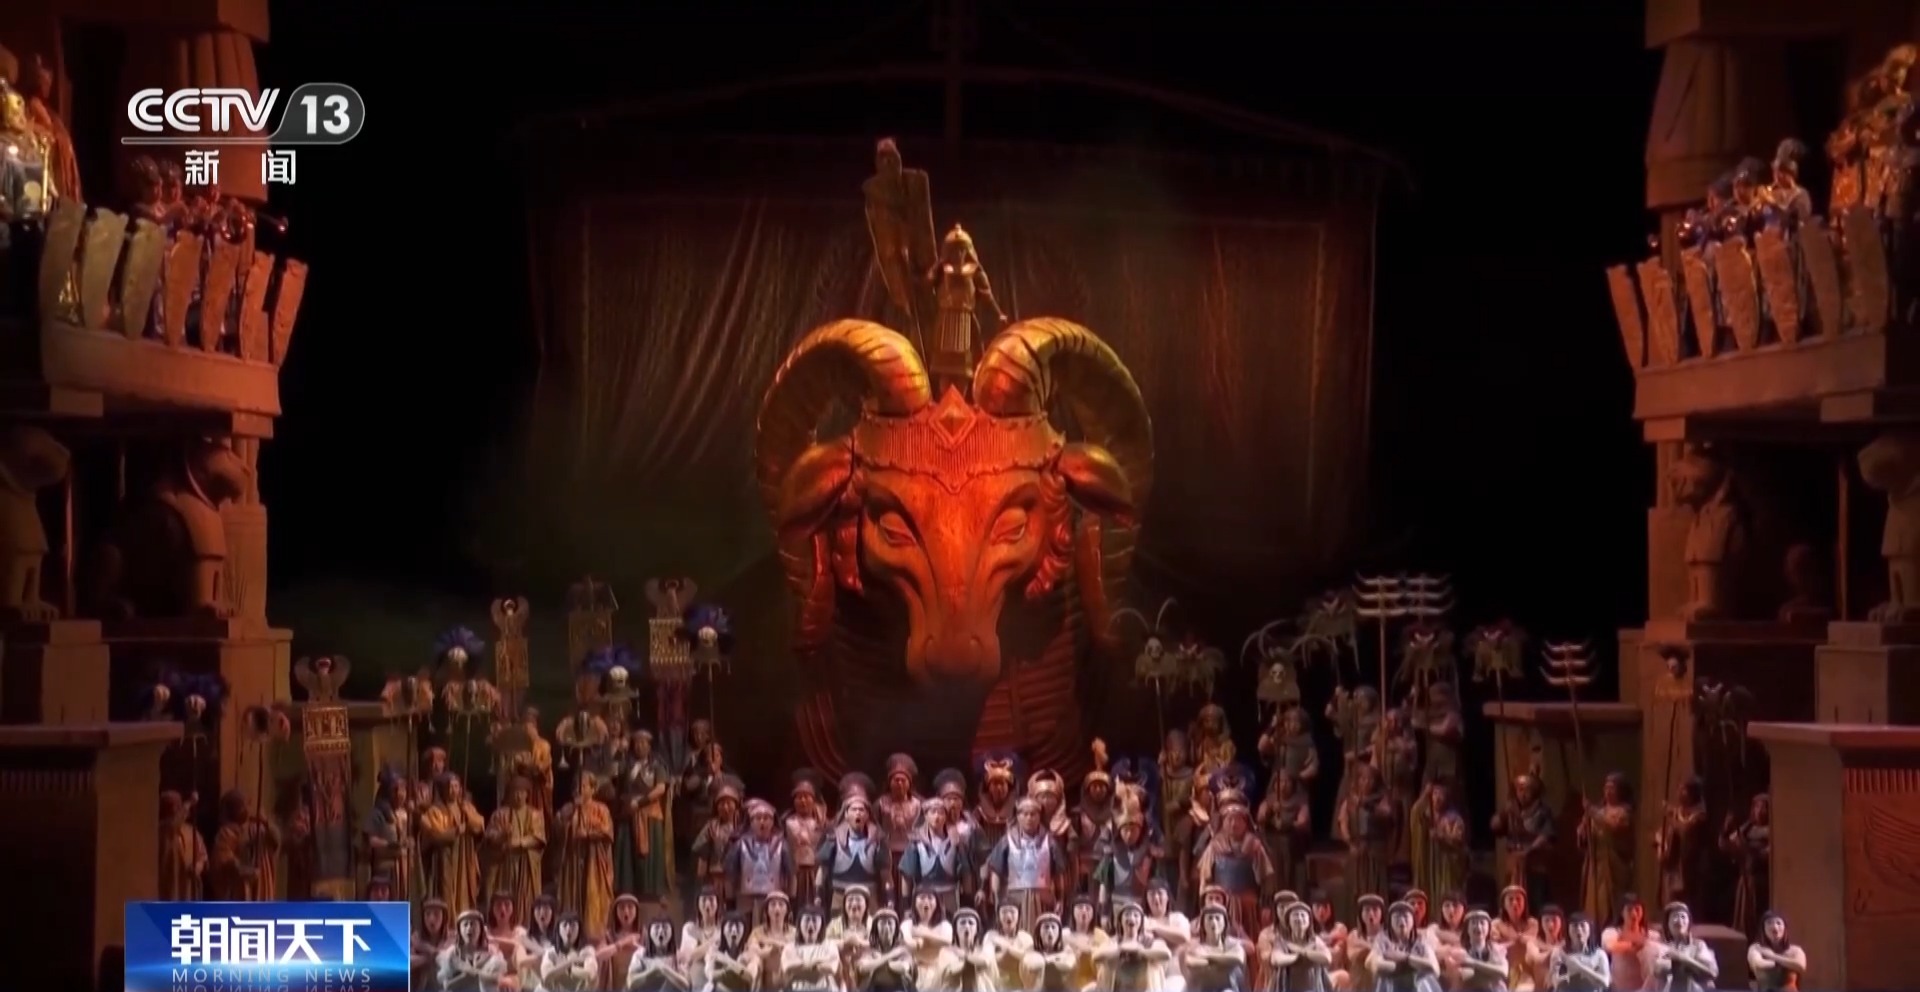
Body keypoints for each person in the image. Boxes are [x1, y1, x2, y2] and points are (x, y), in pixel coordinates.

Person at [1100, 900, 1176, 991]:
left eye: (1136, 915)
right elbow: (1097, 956)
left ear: (1141, 922)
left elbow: (1166, 954)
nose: (1131, 918)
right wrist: (1120, 950)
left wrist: (1139, 951)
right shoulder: (1113, 942)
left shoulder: (1150, 942)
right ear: (1120, 920)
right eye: (1127, 915)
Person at [1368, 901, 1439, 992]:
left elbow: (1434, 968)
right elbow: (1377, 965)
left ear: (1413, 921)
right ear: (1390, 921)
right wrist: (1415, 965)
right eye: (1397, 917)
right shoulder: (1382, 939)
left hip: (1419, 986)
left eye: (1405, 917)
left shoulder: (1421, 939)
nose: (1401, 921)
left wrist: (1405, 958)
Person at [1265, 899, 1334, 992]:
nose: (1299, 918)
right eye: (1295, 915)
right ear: (1288, 921)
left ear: (1309, 921)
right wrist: (1298, 958)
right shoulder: (1282, 941)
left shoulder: (1315, 940)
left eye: (1303, 915)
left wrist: (1302, 952)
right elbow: (1276, 959)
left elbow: (1326, 958)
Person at [1649, 903, 1716, 992]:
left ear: (1689, 923)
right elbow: (1657, 971)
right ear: (1667, 924)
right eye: (1675, 916)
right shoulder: (1661, 948)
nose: (1679, 920)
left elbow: (1711, 973)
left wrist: (1683, 959)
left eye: (1683, 917)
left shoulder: (1698, 945)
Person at [438, 909, 507, 992]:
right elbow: (446, 985)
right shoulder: (451, 953)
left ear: (481, 929)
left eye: (473, 924)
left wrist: (474, 974)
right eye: (465, 924)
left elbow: (497, 979)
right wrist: (465, 977)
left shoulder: (492, 952)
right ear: (459, 930)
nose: (469, 928)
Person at [1185, 904, 1249, 992]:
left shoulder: (1233, 944)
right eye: (1210, 918)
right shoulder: (1194, 945)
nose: (1214, 922)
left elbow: (1238, 958)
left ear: (1225, 923)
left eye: (1217, 918)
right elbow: (1192, 962)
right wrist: (1225, 961)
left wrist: (1206, 956)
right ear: (1203, 923)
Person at [1600, 895, 1657, 992]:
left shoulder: (1652, 935)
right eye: (1629, 910)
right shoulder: (1612, 932)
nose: (1634, 914)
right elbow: (1609, 946)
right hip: (1619, 988)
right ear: (1622, 912)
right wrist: (1635, 945)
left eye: (1637, 909)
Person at [781, 905, 843, 991]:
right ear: (800, 923)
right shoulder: (790, 947)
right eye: (807, 920)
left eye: (814, 920)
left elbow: (830, 968)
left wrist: (801, 968)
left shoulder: (830, 945)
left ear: (821, 924)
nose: (810, 924)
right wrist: (818, 962)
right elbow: (789, 967)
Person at [1548, 912, 1611, 992]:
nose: (1579, 929)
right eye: (1574, 926)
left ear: (1590, 929)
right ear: (1568, 930)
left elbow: (1605, 983)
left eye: (1582, 925)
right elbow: (1555, 983)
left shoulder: (1599, 954)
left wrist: (1579, 967)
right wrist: (1571, 974)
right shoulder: (1559, 953)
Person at [856, 908, 915, 991]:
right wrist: (891, 955)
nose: (886, 927)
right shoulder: (869, 949)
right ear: (876, 928)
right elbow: (863, 968)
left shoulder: (903, 949)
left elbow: (903, 967)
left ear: (896, 928)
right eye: (882, 924)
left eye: (890, 923)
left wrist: (876, 961)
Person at [537, 912, 598, 992]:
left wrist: (560, 969)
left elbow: (589, 974)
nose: (568, 929)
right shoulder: (551, 951)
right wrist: (571, 962)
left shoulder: (587, 951)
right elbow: (546, 975)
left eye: (573, 926)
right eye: (564, 925)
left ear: (579, 930)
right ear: (558, 929)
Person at [1745, 911, 1805, 991]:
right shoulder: (1756, 948)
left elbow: (1800, 966)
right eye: (1769, 923)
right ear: (1763, 928)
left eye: (1779, 923)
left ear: (1785, 928)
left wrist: (1772, 956)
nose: (1774, 927)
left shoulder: (1795, 950)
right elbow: (1758, 963)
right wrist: (1787, 963)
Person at [679, 886, 724, 991]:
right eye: (704, 900)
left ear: (717, 903)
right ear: (698, 904)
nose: (707, 904)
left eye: (711, 900)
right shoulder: (689, 928)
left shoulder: (724, 928)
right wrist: (714, 941)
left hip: (720, 978)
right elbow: (689, 956)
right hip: (696, 980)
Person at [626, 918, 690, 992]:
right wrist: (654, 971)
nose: (661, 931)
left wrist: (665, 970)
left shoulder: (679, 956)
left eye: (665, 927)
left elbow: (686, 986)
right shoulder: (640, 954)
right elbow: (631, 983)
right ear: (649, 932)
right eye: (656, 927)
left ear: (671, 932)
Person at [1454, 909, 1509, 992]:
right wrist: (1492, 973)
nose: (1478, 927)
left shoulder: (1497, 949)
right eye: (1473, 923)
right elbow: (1467, 977)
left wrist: (1472, 963)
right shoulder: (1460, 952)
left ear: (1488, 928)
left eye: (1482, 923)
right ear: (1467, 929)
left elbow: (1503, 972)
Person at [748, 890, 797, 980]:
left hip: (788, 978)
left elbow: (797, 953)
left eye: (781, 905)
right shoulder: (757, 932)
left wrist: (770, 942)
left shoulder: (794, 932)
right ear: (767, 910)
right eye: (773, 905)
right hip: (764, 979)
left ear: (787, 910)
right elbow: (753, 951)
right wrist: (771, 950)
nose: (777, 909)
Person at [1023, 912, 1078, 991]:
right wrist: (1055, 959)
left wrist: (1048, 959)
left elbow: (1068, 965)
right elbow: (1034, 965)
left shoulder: (1067, 950)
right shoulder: (1031, 950)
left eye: (1053, 927)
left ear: (1059, 932)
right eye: (1046, 927)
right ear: (1039, 932)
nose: (1050, 931)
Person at [705, 912, 759, 992]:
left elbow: (750, 976)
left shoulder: (751, 953)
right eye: (730, 927)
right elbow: (710, 974)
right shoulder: (714, 950)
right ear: (723, 931)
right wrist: (736, 970)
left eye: (738, 927)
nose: (734, 931)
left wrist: (725, 960)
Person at [984, 901, 1033, 988]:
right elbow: (987, 959)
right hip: (996, 985)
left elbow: (1029, 959)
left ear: (1019, 915)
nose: (1008, 915)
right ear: (998, 916)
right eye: (1004, 912)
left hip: (1021, 986)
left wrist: (1008, 948)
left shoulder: (1025, 937)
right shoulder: (991, 935)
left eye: (1012, 912)